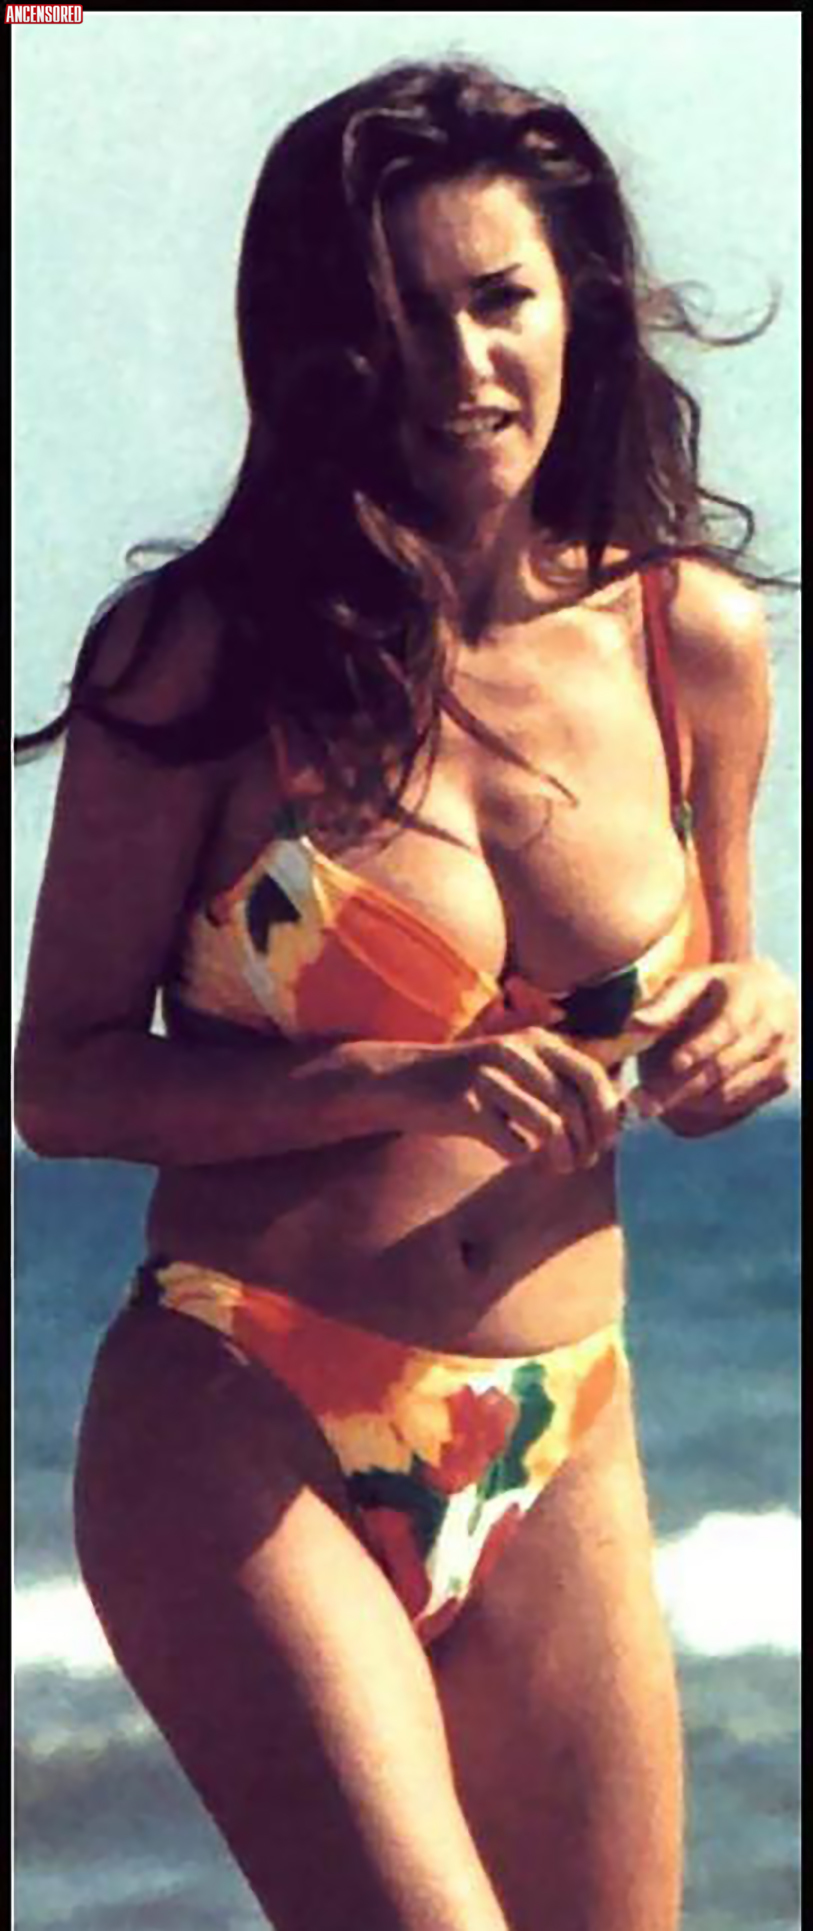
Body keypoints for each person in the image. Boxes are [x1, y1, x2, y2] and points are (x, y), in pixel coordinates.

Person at [14, 56, 798, 1931]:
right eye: (396, 320)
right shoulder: (202, 659)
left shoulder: (683, 639)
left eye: (496, 299)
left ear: (576, 302)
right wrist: (388, 1078)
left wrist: (755, 1019)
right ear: (316, 354)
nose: (459, 366)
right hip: (246, 1407)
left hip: (560, 1428)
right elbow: (61, 1082)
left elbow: (721, 972)